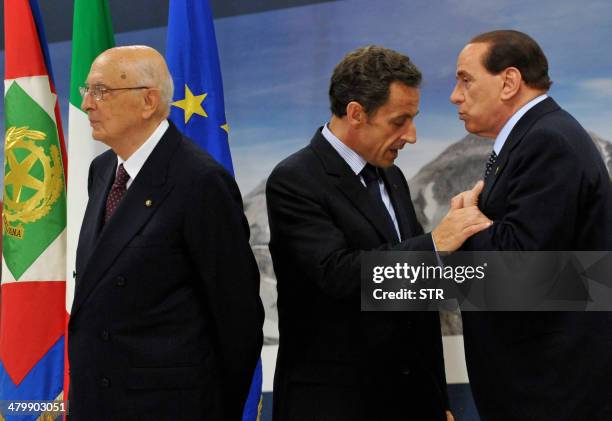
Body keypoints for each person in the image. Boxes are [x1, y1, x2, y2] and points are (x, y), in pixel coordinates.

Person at [266, 45, 491, 421]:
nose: (412, 135)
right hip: (336, 406)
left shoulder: (391, 175)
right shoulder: (295, 181)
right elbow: (339, 276)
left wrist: (435, 399)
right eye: (399, 121)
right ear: (356, 113)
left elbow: (416, 295)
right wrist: (435, 244)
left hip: (409, 401)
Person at [68, 46, 263, 420]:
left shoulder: (200, 180)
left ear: (148, 101)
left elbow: (237, 317)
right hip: (97, 402)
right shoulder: (102, 170)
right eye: (86, 91)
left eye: (101, 91)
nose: (88, 104)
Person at [450, 30, 612, 420]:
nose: (456, 95)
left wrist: (465, 225)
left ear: (508, 82)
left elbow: (519, 272)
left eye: (465, 79)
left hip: (550, 391)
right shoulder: (536, 136)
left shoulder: (547, 140)